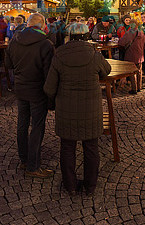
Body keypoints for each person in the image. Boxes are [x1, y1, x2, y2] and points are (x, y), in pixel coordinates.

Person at [44, 30, 109, 194]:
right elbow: (106, 70)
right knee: (91, 148)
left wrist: (51, 104)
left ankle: (70, 186)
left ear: (69, 38)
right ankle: (90, 186)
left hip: (66, 110)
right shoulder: (95, 56)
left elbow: (49, 88)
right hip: (91, 111)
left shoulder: (59, 56)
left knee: (67, 148)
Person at [7, 13, 55, 179]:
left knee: (22, 123)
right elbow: (49, 73)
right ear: (41, 25)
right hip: (37, 90)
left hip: (21, 88)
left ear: (27, 24)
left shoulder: (15, 40)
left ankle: (24, 159)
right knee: (37, 127)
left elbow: (9, 64)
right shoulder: (46, 44)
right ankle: (33, 166)